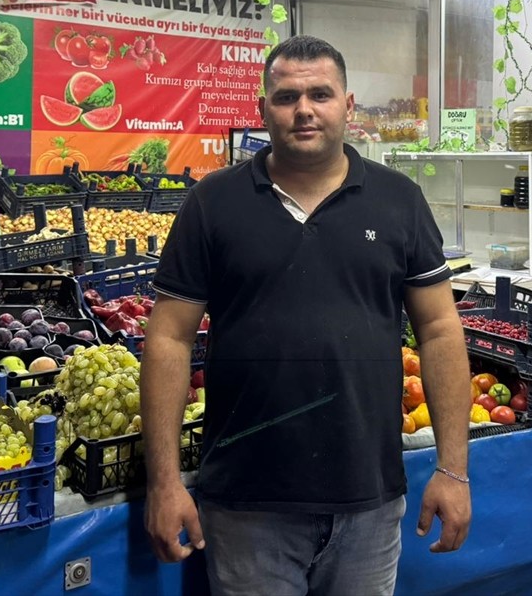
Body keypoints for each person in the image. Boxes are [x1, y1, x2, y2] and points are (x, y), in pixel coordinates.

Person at [142, 35, 471, 595]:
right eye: (286, 97)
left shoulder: (399, 201)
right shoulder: (212, 203)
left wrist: (453, 468)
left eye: (320, 94)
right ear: (262, 108)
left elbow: (440, 331)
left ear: (348, 105)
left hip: (369, 503)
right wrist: (164, 482)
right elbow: (169, 338)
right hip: (247, 505)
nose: (304, 110)